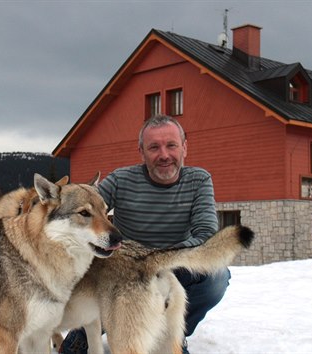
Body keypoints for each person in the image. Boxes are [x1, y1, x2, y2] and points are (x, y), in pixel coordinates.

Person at [59, 115, 230, 354]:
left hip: (173, 267)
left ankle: (170, 335)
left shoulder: (199, 180)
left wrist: (158, 259)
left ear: (184, 147)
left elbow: (206, 234)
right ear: (141, 152)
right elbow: (87, 207)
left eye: (171, 145)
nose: (164, 155)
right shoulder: (121, 179)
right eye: (153, 147)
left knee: (216, 278)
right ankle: (87, 328)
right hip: (122, 270)